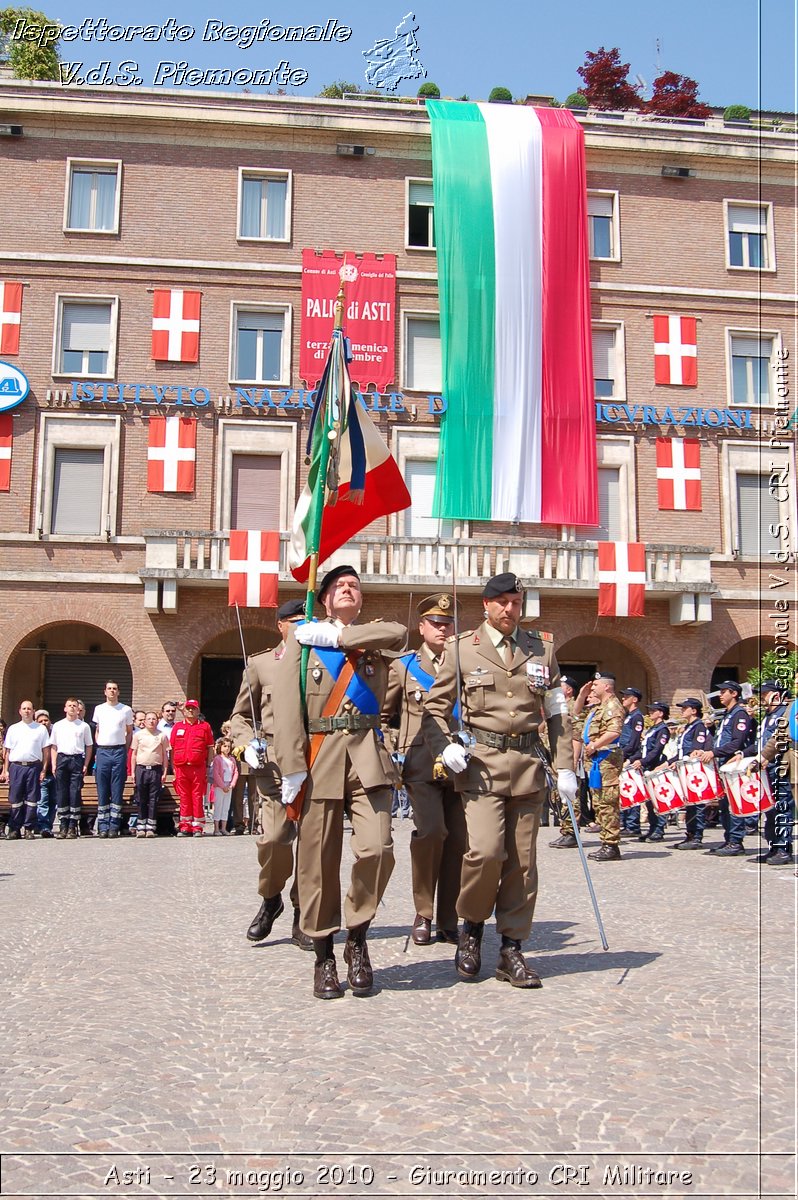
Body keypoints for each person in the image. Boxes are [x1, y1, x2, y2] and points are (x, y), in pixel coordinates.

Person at [422, 572, 576, 988]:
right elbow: (434, 709)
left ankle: (512, 948)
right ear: (486, 606)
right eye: (502, 602)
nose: (510, 610)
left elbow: (558, 710)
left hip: (527, 764)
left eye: (516, 602)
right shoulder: (461, 650)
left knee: (523, 863)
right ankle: (471, 928)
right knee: (486, 853)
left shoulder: (541, 648)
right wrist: (446, 745)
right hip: (482, 767)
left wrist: (565, 766)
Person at [273, 565, 406, 1000]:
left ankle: (359, 936)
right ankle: (324, 954)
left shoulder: (370, 636)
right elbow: (288, 707)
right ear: (325, 598)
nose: (349, 591)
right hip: (320, 756)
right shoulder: (302, 641)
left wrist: (340, 638)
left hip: (368, 757)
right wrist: (292, 766)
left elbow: (400, 632)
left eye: (355, 587)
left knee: (378, 848)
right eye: (340, 587)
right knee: (317, 863)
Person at [382, 592, 466, 946]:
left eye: (448, 624)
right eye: (436, 623)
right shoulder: (404, 666)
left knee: (459, 841)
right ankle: (423, 911)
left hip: (462, 762)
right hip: (419, 762)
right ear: (422, 627)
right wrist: (392, 754)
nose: (443, 629)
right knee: (431, 833)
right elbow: (385, 717)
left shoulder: (466, 662)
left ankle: (449, 917)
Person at [229, 598, 312, 950]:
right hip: (276, 762)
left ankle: (303, 913)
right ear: (281, 625)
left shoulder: (324, 660)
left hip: (317, 758)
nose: (300, 626)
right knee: (276, 839)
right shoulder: (262, 663)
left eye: (306, 619)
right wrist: (245, 742)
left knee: (313, 844)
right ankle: (271, 897)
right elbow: (239, 716)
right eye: (294, 620)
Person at [696, 680, 757, 857]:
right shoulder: (728, 714)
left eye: (724, 691)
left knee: (733, 804)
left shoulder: (739, 714)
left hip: (733, 765)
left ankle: (736, 841)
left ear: (734, 694)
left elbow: (737, 743)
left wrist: (714, 752)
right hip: (724, 764)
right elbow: (722, 739)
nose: (720, 695)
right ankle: (729, 838)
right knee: (724, 804)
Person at [741, 681, 792, 866]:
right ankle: (774, 847)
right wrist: (743, 754)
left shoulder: (783, 713)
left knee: (781, 810)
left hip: (779, 768)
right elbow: (762, 743)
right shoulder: (768, 716)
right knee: (770, 811)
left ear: (776, 694)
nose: (761, 697)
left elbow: (781, 742)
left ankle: (784, 850)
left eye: (764, 694)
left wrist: (766, 759)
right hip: (766, 769)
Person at [576, 672, 625, 861]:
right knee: (598, 802)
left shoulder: (612, 706)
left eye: (596, 684)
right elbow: (576, 713)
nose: (592, 687)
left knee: (607, 801)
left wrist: (594, 745)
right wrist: (582, 694)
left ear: (607, 687)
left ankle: (611, 845)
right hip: (597, 761)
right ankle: (605, 841)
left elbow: (614, 731)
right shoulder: (599, 707)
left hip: (607, 760)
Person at [1, 700, 52, 839]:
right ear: (20, 711)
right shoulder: (13, 729)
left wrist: (43, 769)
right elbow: (8, 751)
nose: (27, 711)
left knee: (32, 799)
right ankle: (15, 829)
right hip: (16, 767)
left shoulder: (40, 729)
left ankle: (29, 828)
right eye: (24, 708)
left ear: (33, 711)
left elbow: (46, 751)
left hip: (34, 767)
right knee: (15, 799)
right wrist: (5, 770)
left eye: (29, 708)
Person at [91, 681, 134, 838]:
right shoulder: (99, 709)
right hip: (103, 751)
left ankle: (114, 826)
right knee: (102, 788)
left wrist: (124, 748)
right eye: (109, 689)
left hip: (118, 751)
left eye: (115, 689)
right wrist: (99, 745)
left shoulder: (126, 710)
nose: (112, 691)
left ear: (119, 692)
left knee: (117, 789)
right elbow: (97, 730)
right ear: (105, 692)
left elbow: (129, 732)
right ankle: (102, 826)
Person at [669, 698, 711, 849]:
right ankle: (690, 833)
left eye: (685, 708)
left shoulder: (698, 726)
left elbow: (696, 749)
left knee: (697, 803)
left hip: (693, 770)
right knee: (690, 804)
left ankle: (697, 835)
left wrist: (682, 760)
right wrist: (668, 763)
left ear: (694, 710)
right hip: (685, 768)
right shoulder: (689, 727)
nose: (682, 710)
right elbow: (681, 751)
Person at [50, 697, 94, 838]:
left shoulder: (83, 726)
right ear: (65, 708)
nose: (72, 708)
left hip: (76, 759)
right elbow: (54, 746)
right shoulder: (58, 725)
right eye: (69, 705)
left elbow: (89, 746)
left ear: (78, 709)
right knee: (62, 792)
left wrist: (86, 764)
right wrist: (54, 764)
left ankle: (72, 826)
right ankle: (63, 825)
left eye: (74, 706)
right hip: (62, 759)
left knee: (75, 792)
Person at [170, 700, 215, 836]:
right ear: (184, 711)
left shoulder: (205, 727)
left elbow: (210, 748)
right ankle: (185, 825)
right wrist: (173, 768)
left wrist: (208, 766)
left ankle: (197, 826)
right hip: (181, 767)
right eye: (188, 708)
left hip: (198, 767)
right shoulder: (177, 727)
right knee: (184, 797)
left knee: (197, 796)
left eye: (193, 709)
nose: (190, 711)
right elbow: (172, 748)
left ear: (198, 711)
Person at [548, 675, 582, 849]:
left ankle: (572, 832)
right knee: (558, 797)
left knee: (570, 796)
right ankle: (565, 830)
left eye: (561, 686)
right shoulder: (554, 705)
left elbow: (576, 736)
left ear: (568, 690)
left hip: (567, 756)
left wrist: (573, 761)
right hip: (555, 756)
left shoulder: (572, 707)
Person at [630, 701, 672, 842]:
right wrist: (633, 760)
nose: (650, 713)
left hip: (655, 766)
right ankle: (652, 828)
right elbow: (644, 749)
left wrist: (642, 761)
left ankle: (659, 830)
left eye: (653, 710)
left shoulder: (663, 730)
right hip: (647, 767)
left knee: (657, 799)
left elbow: (656, 751)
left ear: (661, 713)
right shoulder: (653, 729)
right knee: (649, 801)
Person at [130, 712, 170, 838]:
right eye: (149, 719)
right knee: (141, 798)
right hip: (141, 769)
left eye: (153, 719)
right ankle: (141, 827)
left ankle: (151, 827)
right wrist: (132, 772)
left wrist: (164, 772)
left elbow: (165, 756)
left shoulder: (162, 736)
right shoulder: (138, 735)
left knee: (153, 799)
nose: (151, 721)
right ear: (145, 721)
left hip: (155, 770)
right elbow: (134, 755)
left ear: (157, 721)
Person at [617, 688, 645, 836]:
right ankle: (626, 822)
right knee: (625, 791)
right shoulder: (628, 716)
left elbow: (634, 741)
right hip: (624, 754)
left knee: (632, 790)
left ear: (634, 699)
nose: (623, 699)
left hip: (630, 756)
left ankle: (633, 825)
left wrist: (624, 755)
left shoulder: (637, 717)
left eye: (627, 697)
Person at [34, 709, 56, 837]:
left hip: (54, 774)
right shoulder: (36, 735)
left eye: (46, 720)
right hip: (42, 774)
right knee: (43, 801)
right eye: (40, 721)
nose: (44, 723)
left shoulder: (55, 734)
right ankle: (43, 826)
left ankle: (48, 825)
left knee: (54, 802)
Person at [211, 736, 239, 835]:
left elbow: (235, 772)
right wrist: (223, 786)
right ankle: (216, 828)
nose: (227, 748)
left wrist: (232, 784)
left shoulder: (232, 759)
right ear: (220, 747)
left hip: (229, 785)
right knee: (218, 806)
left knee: (226, 807)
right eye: (225, 746)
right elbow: (216, 774)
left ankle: (223, 828)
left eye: (229, 746)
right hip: (220, 786)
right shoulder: (217, 759)